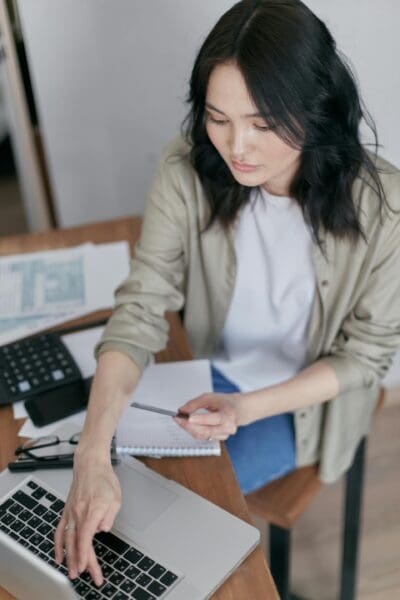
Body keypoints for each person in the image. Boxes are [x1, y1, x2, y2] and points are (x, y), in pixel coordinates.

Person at [55, 0, 400, 586]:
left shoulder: (383, 208)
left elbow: (366, 357)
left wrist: (244, 409)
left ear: (316, 108)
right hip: (200, 371)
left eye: (263, 124)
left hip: (293, 407)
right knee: (91, 477)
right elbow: (141, 307)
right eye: (218, 118)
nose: (236, 146)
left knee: (161, 523)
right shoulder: (187, 168)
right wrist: (91, 454)